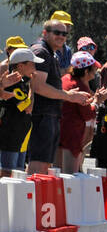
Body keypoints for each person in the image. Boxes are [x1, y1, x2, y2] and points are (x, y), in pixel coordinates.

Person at [26, 19, 94, 176]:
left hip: (49, 115)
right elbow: (38, 86)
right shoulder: (41, 51)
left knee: (44, 165)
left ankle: (37, 198)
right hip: (42, 115)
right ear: (45, 33)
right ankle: (31, 198)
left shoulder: (51, 53)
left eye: (64, 33)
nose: (61, 37)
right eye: (56, 32)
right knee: (39, 165)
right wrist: (69, 96)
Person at [0, 47, 38, 177]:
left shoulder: (21, 82)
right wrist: (33, 87)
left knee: (17, 173)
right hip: (10, 136)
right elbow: (27, 107)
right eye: (32, 63)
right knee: (8, 172)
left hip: (19, 137)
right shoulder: (13, 83)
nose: (35, 67)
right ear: (21, 65)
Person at [59, 51, 99, 173]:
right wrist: (98, 100)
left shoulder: (66, 79)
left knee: (57, 174)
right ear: (86, 71)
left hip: (59, 134)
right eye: (94, 69)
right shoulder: (80, 86)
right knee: (70, 175)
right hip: (71, 137)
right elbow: (88, 114)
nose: (96, 72)